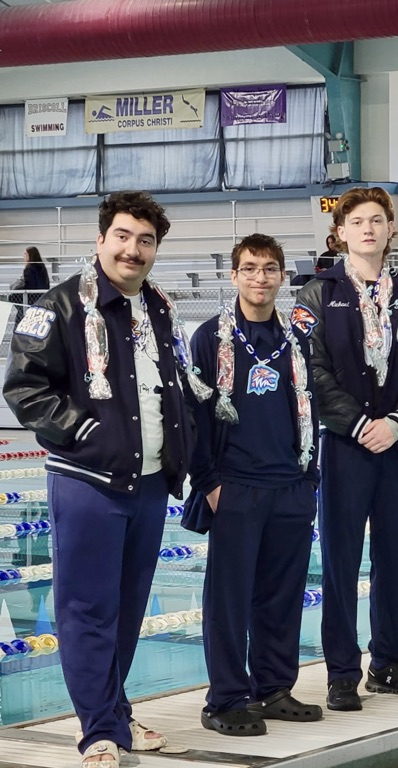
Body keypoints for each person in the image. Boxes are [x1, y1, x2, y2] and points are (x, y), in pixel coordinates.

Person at [3, 192, 200, 768]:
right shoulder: (61, 305)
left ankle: (112, 708)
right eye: (122, 236)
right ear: (100, 240)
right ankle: (98, 733)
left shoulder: (159, 309)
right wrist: (83, 431)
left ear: (155, 250)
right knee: (88, 609)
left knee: (129, 606)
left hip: (148, 482)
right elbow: (24, 387)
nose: (132, 249)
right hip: (88, 479)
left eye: (145, 240)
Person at [294, 187, 398, 712]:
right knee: (340, 561)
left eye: (377, 220)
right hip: (344, 446)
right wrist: (361, 424)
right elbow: (311, 372)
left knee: (393, 558)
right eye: (357, 220)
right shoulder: (317, 295)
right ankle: (342, 673)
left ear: (390, 230)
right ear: (340, 233)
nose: (368, 228)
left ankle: (390, 663)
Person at [189, 233, 322, 736]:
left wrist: (309, 478)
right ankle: (225, 699)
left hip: (290, 484)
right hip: (237, 486)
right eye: (249, 268)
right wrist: (208, 482)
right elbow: (197, 416)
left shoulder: (297, 340)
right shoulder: (210, 337)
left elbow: (310, 411)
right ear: (234, 275)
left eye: (269, 269)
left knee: (282, 595)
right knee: (229, 600)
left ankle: (273, 689)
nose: (260, 278)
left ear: (283, 277)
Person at [9, 246, 50, 324]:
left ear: (30, 255)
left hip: (30, 299)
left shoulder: (30, 269)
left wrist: (15, 291)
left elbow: (29, 285)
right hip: (41, 298)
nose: (23, 256)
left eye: (25, 254)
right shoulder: (42, 267)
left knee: (15, 302)